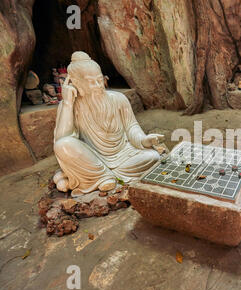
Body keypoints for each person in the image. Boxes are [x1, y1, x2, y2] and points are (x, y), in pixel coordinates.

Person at [53, 51, 163, 196]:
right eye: (91, 82)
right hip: (94, 159)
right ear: (77, 84)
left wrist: (143, 140)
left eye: (99, 80)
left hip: (125, 155)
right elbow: (62, 138)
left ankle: (103, 177)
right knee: (63, 145)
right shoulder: (69, 106)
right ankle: (103, 177)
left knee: (153, 157)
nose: (98, 86)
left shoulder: (118, 99)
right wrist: (67, 103)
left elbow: (131, 127)